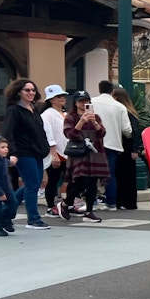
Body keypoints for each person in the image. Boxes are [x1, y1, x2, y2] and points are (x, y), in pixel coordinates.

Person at [0, 79, 51, 230]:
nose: (31, 93)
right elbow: (7, 133)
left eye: (33, 90)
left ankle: (5, 213)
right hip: (23, 152)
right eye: (27, 90)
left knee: (32, 184)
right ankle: (33, 219)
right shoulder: (14, 110)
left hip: (37, 152)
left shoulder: (34, 109)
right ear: (18, 92)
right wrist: (13, 153)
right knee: (32, 184)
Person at [59, 90, 107, 224]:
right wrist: (81, 121)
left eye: (86, 101)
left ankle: (89, 211)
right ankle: (66, 203)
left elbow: (102, 133)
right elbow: (70, 134)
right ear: (75, 103)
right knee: (79, 181)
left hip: (94, 152)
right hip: (79, 153)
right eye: (80, 101)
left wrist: (95, 123)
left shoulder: (95, 117)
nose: (83, 104)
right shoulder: (71, 117)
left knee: (92, 182)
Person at [90, 80, 133, 210]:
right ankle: (111, 202)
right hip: (112, 144)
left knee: (91, 174)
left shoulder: (91, 102)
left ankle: (91, 202)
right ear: (112, 91)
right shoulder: (119, 107)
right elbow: (127, 130)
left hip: (93, 143)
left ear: (99, 89)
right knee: (110, 174)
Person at [111, 87, 144, 210]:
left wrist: (135, 149)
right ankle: (125, 201)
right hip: (127, 146)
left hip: (127, 146)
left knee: (125, 175)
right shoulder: (129, 111)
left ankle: (126, 201)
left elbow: (134, 131)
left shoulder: (125, 112)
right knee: (124, 175)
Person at [40, 85, 69, 216]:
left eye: (63, 96)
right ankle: (50, 206)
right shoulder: (47, 115)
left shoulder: (65, 113)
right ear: (51, 99)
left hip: (67, 151)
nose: (62, 98)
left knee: (70, 179)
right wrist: (53, 153)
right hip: (56, 152)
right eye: (58, 96)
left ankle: (67, 203)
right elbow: (48, 133)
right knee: (52, 179)